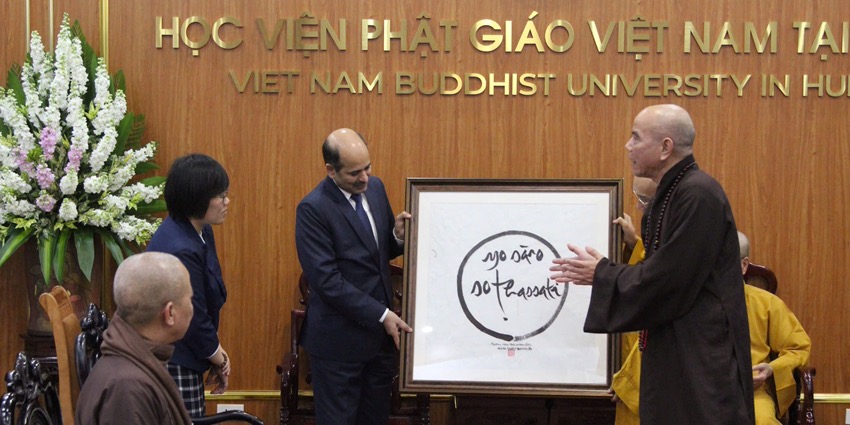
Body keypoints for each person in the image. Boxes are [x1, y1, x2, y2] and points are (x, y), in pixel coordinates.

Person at [550, 104, 754, 424]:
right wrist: (605, 273)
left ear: (665, 148)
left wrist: (603, 273)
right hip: (677, 344)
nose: (627, 146)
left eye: (635, 137)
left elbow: (669, 279)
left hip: (700, 351)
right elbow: (660, 269)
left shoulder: (698, 195)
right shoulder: (672, 192)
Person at [612, 231, 812, 425]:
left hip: (747, 394)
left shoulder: (766, 304)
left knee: (762, 420)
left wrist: (770, 369)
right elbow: (653, 343)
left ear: (743, 265)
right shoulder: (686, 302)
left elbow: (797, 348)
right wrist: (628, 382)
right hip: (691, 393)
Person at [295, 128, 413, 425]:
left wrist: (397, 238)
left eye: (367, 168)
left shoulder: (375, 189)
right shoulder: (312, 209)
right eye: (354, 173)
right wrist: (382, 314)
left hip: (378, 344)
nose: (364, 178)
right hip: (338, 345)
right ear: (330, 170)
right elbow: (327, 282)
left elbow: (377, 254)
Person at [147, 153, 232, 418]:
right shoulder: (180, 247)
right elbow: (191, 314)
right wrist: (217, 356)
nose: (227, 202)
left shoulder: (199, 229)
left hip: (189, 352)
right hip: (175, 358)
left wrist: (213, 351)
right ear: (197, 199)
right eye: (220, 196)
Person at [75, 252, 194, 425]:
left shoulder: (134, 363)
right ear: (170, 313)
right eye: (190, 299)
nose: (192, 307)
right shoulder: (126, 389)